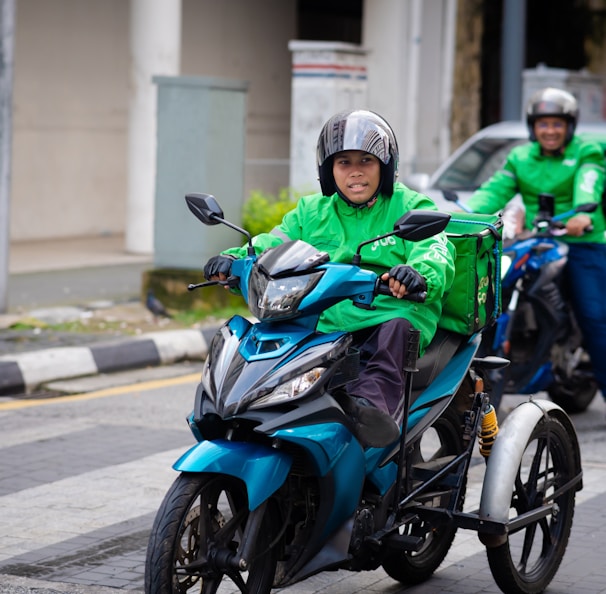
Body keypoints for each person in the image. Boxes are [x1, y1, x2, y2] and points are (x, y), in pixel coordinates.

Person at [204, 109, 456, 447]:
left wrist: (416, 274)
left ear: (385, 166)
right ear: (329, 170)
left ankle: (371, 410)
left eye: (366, 160)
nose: (355, 172)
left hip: (390, 312)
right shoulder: (312, 211)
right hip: (328, 316)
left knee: (394, 332)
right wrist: (234, 260)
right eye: (344, 162)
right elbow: (273, 243)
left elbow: (434, 248)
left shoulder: (408, 204)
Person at [466, 87, 606, 405]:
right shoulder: (520, 157)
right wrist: (467, 216)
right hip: (538, 240)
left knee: (594, 316)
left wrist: (582, 214)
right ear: (533, 127)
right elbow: (493, 190)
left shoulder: (588, 151)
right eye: (543, 124)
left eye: (557, 124)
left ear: (570, 125)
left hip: (583, 240)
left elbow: (589, 183)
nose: (550, 131)